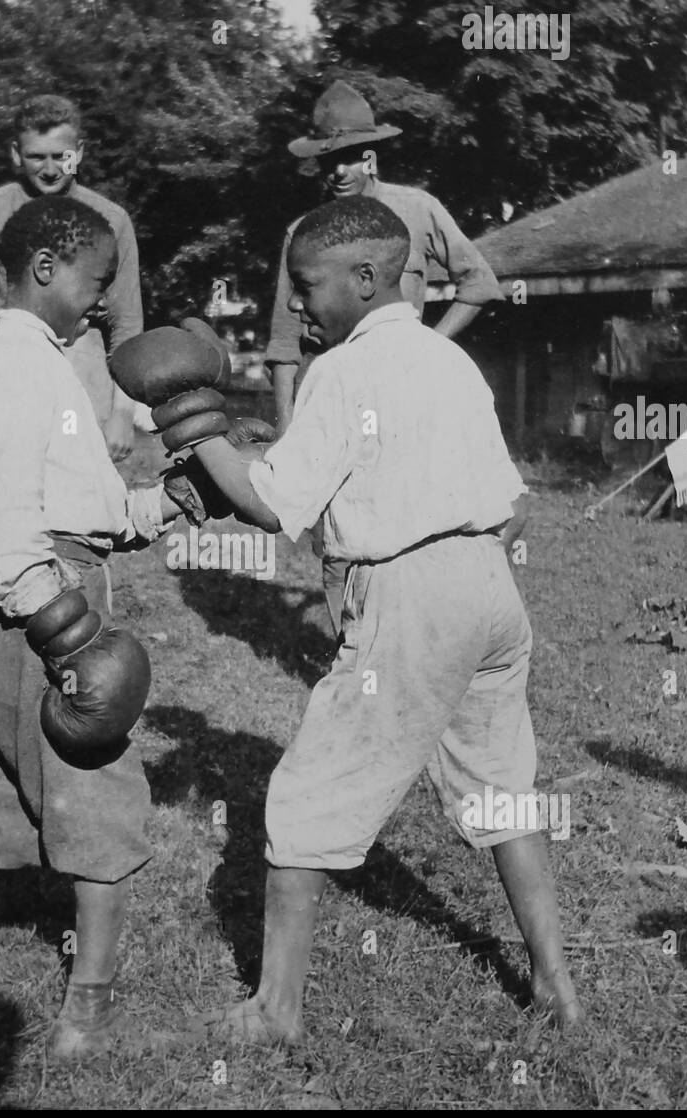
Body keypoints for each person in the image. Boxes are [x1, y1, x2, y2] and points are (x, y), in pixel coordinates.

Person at [172, 196, 582, 1045]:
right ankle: (555, 984)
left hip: (411, 598)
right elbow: (511, 508)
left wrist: (194, 427)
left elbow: (267, 502)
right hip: (490, 589)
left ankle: (276, 1010)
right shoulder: (448, 360)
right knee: (503, 786)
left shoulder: (342, 371)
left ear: (364, 278)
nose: (296, 307)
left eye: (306, 287)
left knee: (305, 794)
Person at [0, 195, 192, 1061]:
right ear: (45, 269)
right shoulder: (21, 362)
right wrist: (69, 635)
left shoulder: (36, 357)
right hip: (35, 596)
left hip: (15, 598)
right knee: (98, 796)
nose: (104, 299)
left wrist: (163, 504)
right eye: (97, 282)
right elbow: (15, 519)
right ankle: (84, 1016)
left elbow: (80, 502)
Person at [265, 82, 508, 632]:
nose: (337, 173)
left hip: (409, 397)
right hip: (337, 392)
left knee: (418, 515)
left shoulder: (417, 210)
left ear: (370, 156)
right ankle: (352, 647)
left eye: (348, 159)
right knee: (342, 528)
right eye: (327, 161)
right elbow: (284, 342)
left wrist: (430, 345)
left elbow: (479, 282)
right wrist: (288, 428)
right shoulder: (302, 235)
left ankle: (421, 639)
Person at [0, 94, 145, 466]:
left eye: (60, 156)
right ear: (16, 154)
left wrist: (123, 414)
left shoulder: (112, 219)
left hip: (80, 359)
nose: (50, 169)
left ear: (78, 152)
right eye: (36, 157)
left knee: (78, 498)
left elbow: (127, 323)